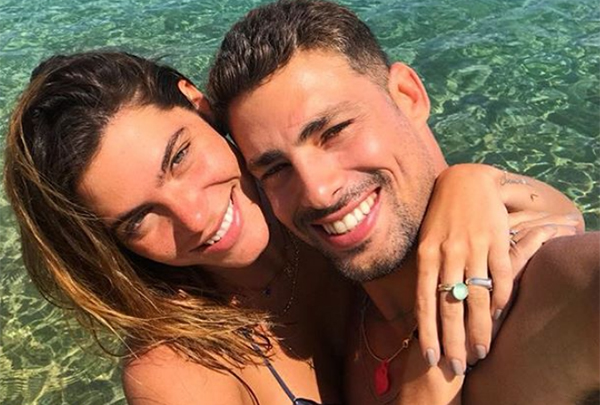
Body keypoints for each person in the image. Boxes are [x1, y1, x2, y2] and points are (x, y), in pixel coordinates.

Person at [2, 54, 584, 404]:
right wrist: (427, 384)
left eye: (179, 157)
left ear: (198, 104)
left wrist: (471, 182)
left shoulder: (319, 208)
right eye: (138, 219)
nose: (195, 218)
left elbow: (563, 230)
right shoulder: (177, 372)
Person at [206, 0, 599, 403]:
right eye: (275, 169)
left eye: (335, 131)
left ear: (409, 96)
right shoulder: (337, 307)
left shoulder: (544, 289)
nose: (318, 192)